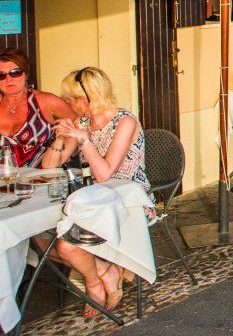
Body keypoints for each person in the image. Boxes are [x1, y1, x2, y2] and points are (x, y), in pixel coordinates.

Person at [39, 67, 155, 314]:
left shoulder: (125, 121)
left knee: (66, 246)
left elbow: (105, 174)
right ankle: (105, 270)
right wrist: (60, 138)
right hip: (93, 198)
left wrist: (84, 140)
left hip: (129, 201)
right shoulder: (83, 121)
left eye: (70, 99)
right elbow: (49, 166)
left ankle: (95, 283)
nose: (67, 104)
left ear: (87, 98)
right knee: (39, 240)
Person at [0, 49, 76, 167]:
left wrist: (63, 155)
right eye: (1, 75)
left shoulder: (47, 101)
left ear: (26, 74)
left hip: (42, 181)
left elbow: (80, 125)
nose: (8, 79)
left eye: (15, 72)